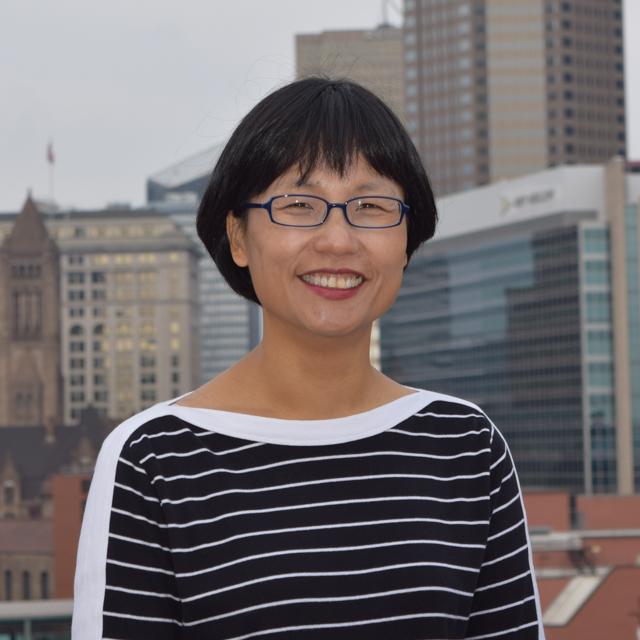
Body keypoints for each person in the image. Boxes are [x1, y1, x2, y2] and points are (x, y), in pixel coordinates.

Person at [72, 77, 544, 639]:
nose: (338, 240)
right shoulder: (155, 459)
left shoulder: (466, 446)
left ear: (406, 240)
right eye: (299, 204)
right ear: (239, 238)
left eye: (370, 205)